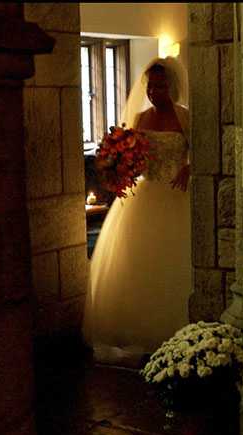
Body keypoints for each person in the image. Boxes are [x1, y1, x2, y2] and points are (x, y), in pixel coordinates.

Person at [82, 57, 192, 367]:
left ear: (173, 88)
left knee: (171, 263)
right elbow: (134, 158)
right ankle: (141, 333)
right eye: (150, 87)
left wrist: (188, 168)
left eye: (160, 86)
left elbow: (206, 151)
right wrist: (119, 164)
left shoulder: (184, 118)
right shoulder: (141, 118)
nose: (154, 92)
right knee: (138, 261)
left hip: (176, 195)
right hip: (144, 194)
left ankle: (175, 333)